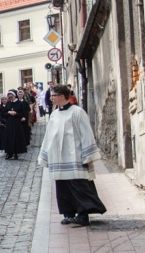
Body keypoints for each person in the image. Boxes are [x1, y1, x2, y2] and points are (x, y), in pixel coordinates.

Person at [39, 84, 107, 227]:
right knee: (62, 186)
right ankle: (68, 213)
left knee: (78, 185)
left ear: (62, 96)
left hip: (75, 155)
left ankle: (83, 215)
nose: (51, 98)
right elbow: (48, 136)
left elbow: (86, 133)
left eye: (53, 96)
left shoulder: (77, 112)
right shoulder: (54, 114)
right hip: (58, 157)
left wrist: (87, 155)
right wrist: (45, 156)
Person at [0, 90, 29, 160]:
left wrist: (16, 113)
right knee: (9, 138)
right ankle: (9, 153)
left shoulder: (19, 103)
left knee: (16, 137)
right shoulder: (8, 103)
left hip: (17, 122)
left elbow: (23, 113)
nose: (10, 98)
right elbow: (4, 114)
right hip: (9, 123)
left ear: (14, 96)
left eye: (11, 96)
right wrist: (9, 112)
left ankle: (16, 153)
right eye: (9, 97)